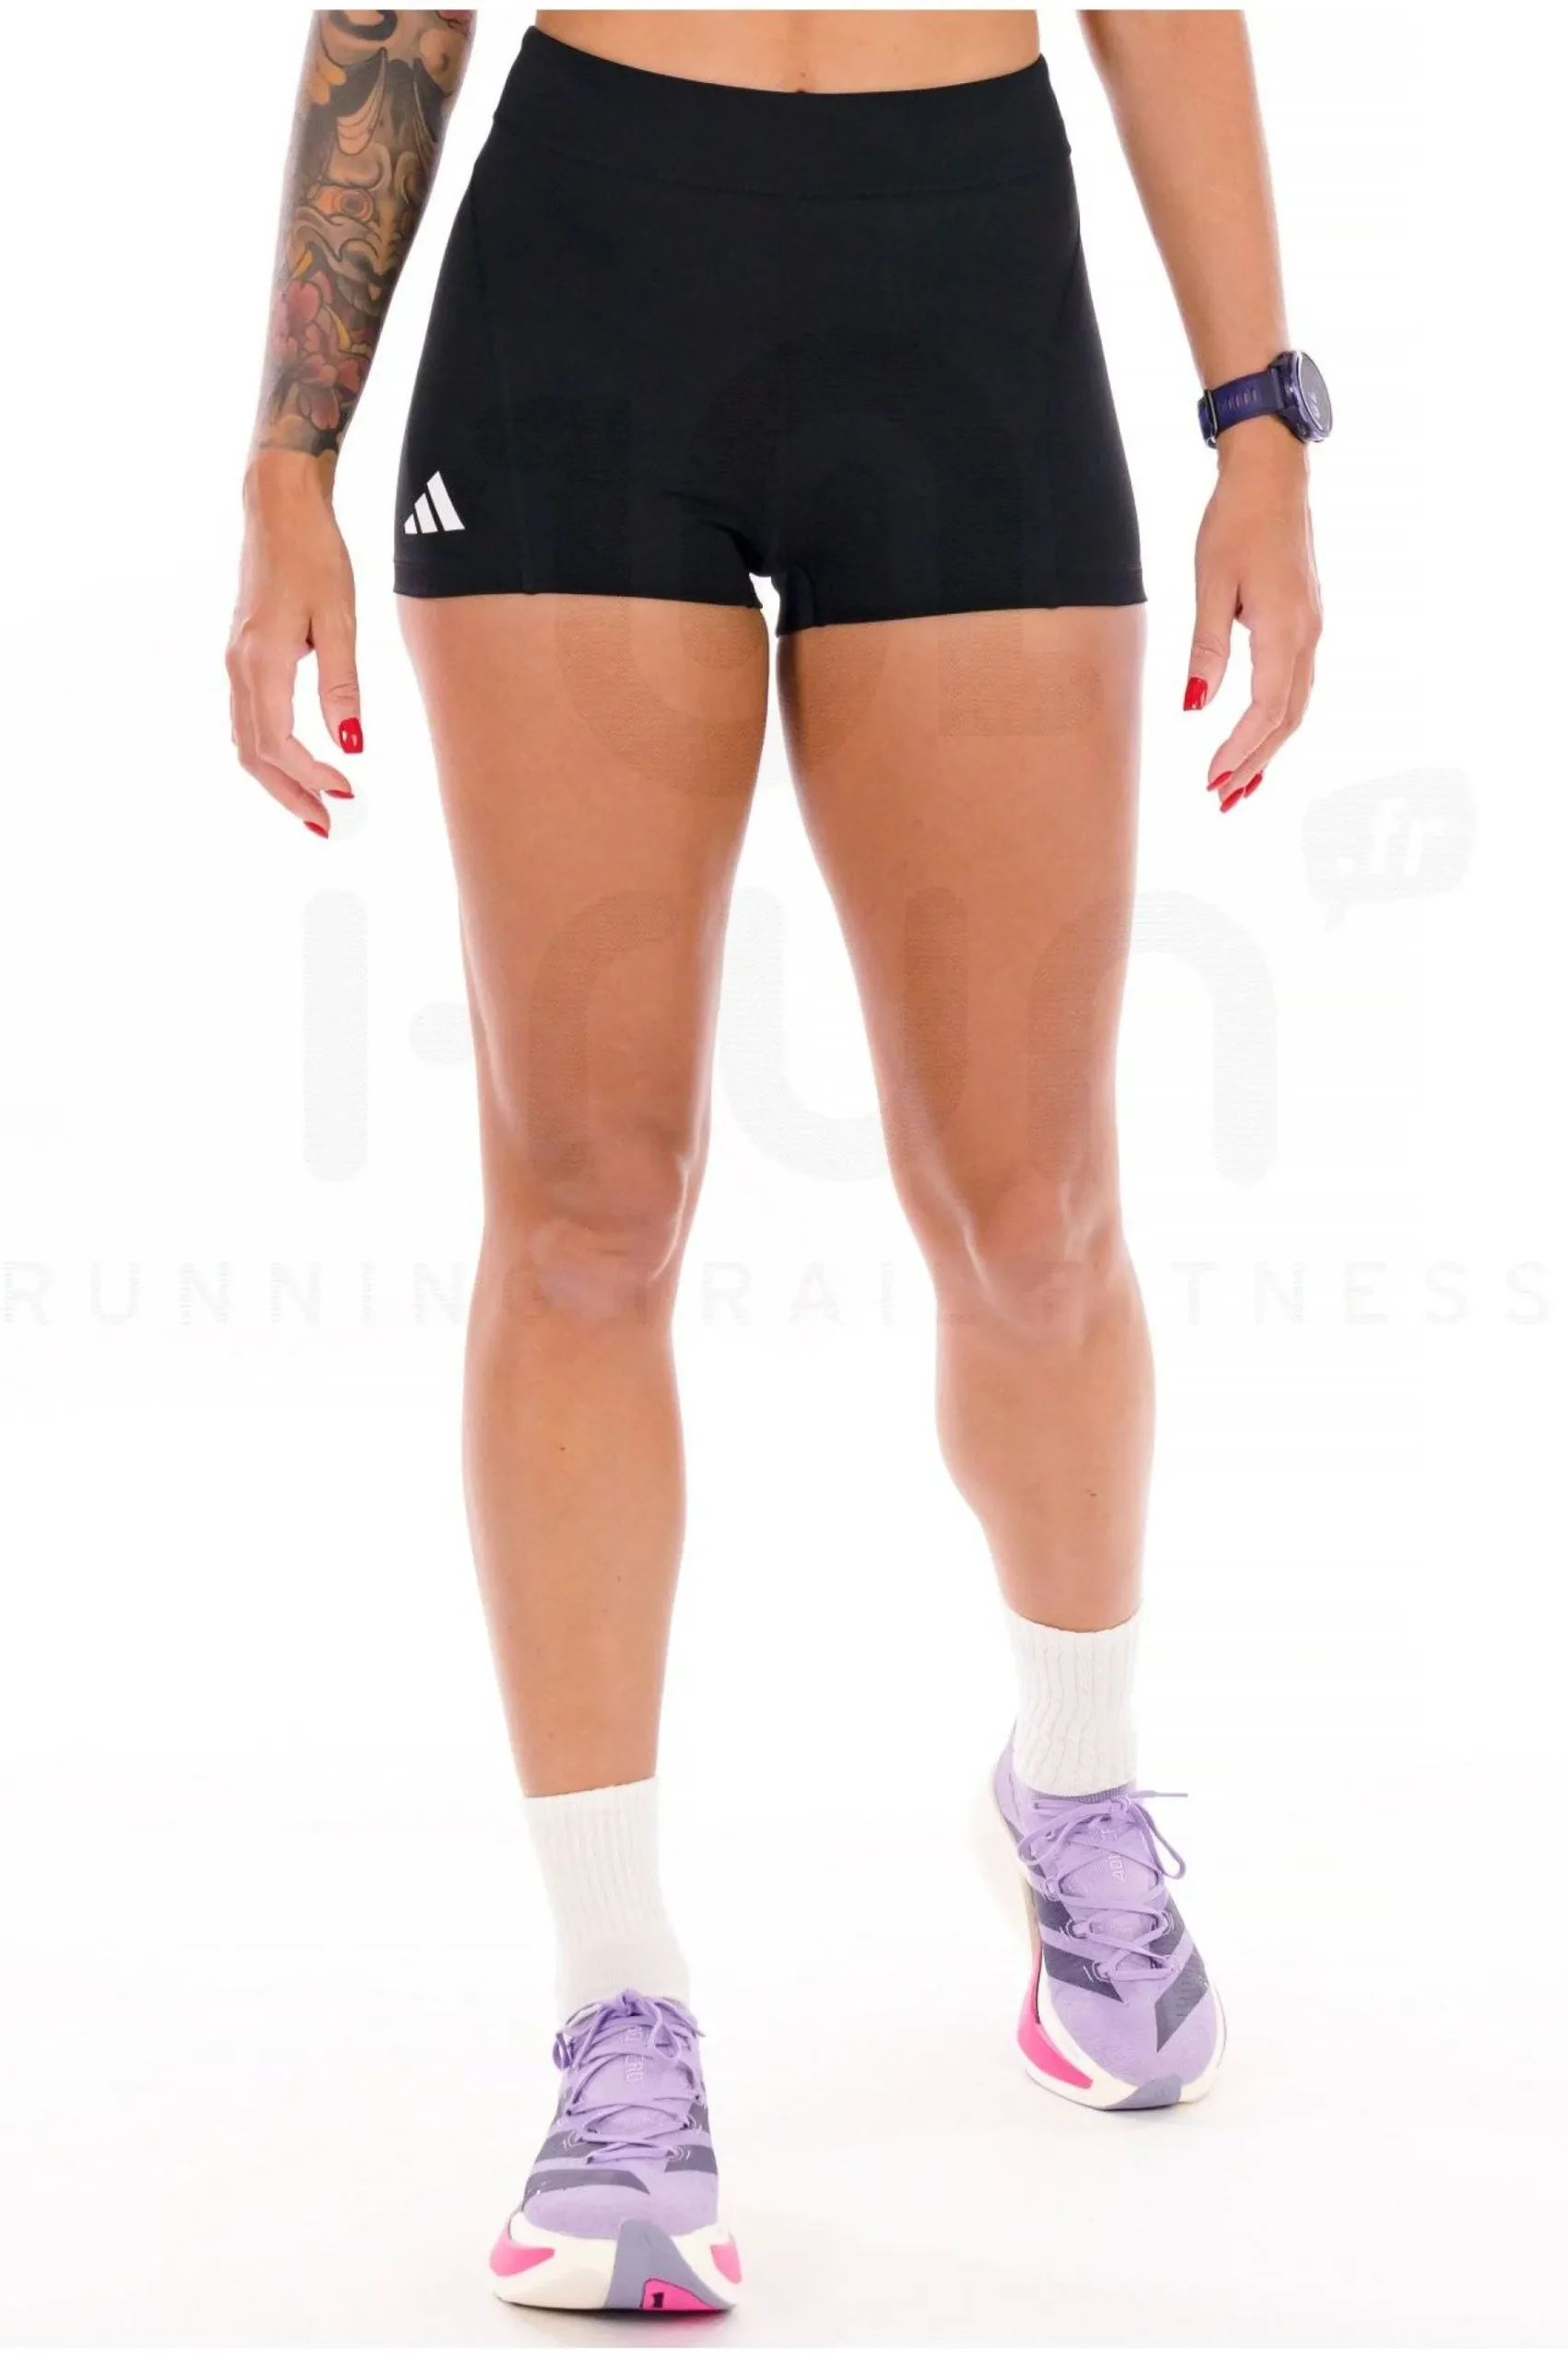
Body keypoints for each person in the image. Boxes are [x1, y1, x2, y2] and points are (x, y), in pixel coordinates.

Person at [228, 7, 1326, 2317]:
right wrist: (284, 461)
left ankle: (1074, 1790)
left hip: (962, 266)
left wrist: (1255, 418)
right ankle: (618, 2015)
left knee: (1031, 1215)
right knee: (586, 1204)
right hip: (582, 294)